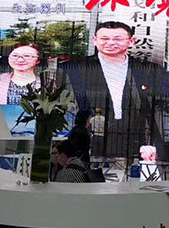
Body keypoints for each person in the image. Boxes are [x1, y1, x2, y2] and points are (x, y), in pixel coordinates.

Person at [60, 21, 162, 157]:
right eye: (105, 38)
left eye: (118, 39)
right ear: (95, 40)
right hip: (87, 141)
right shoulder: (74, 68)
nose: (111, 43)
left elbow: (156, 109)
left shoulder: (147, 69)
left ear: (131, 41)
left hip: (135, 140)